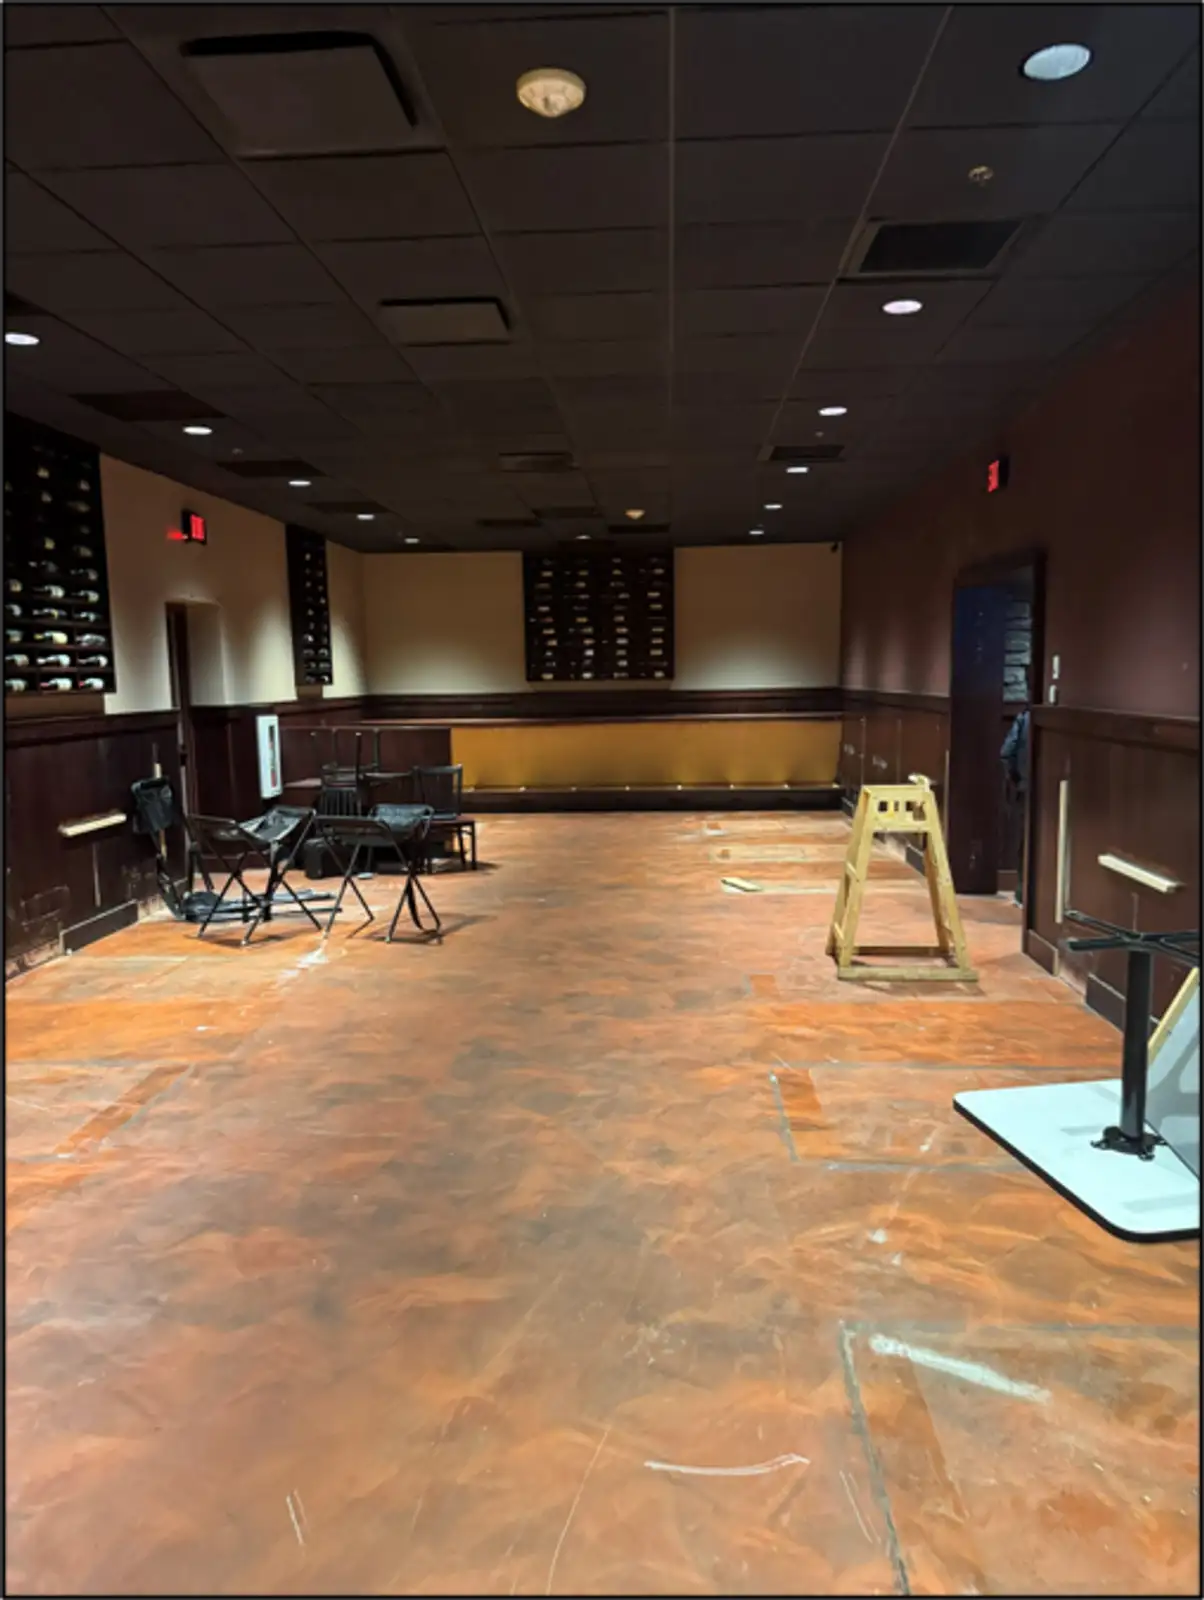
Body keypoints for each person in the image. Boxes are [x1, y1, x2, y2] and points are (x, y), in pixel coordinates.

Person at [1000, 669, 1031, 906]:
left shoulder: (1024, 718)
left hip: (1024, 788)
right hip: (1052, 792)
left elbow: (1006, 752)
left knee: (1024, 841)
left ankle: (1021, 892)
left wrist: (1015, 778)